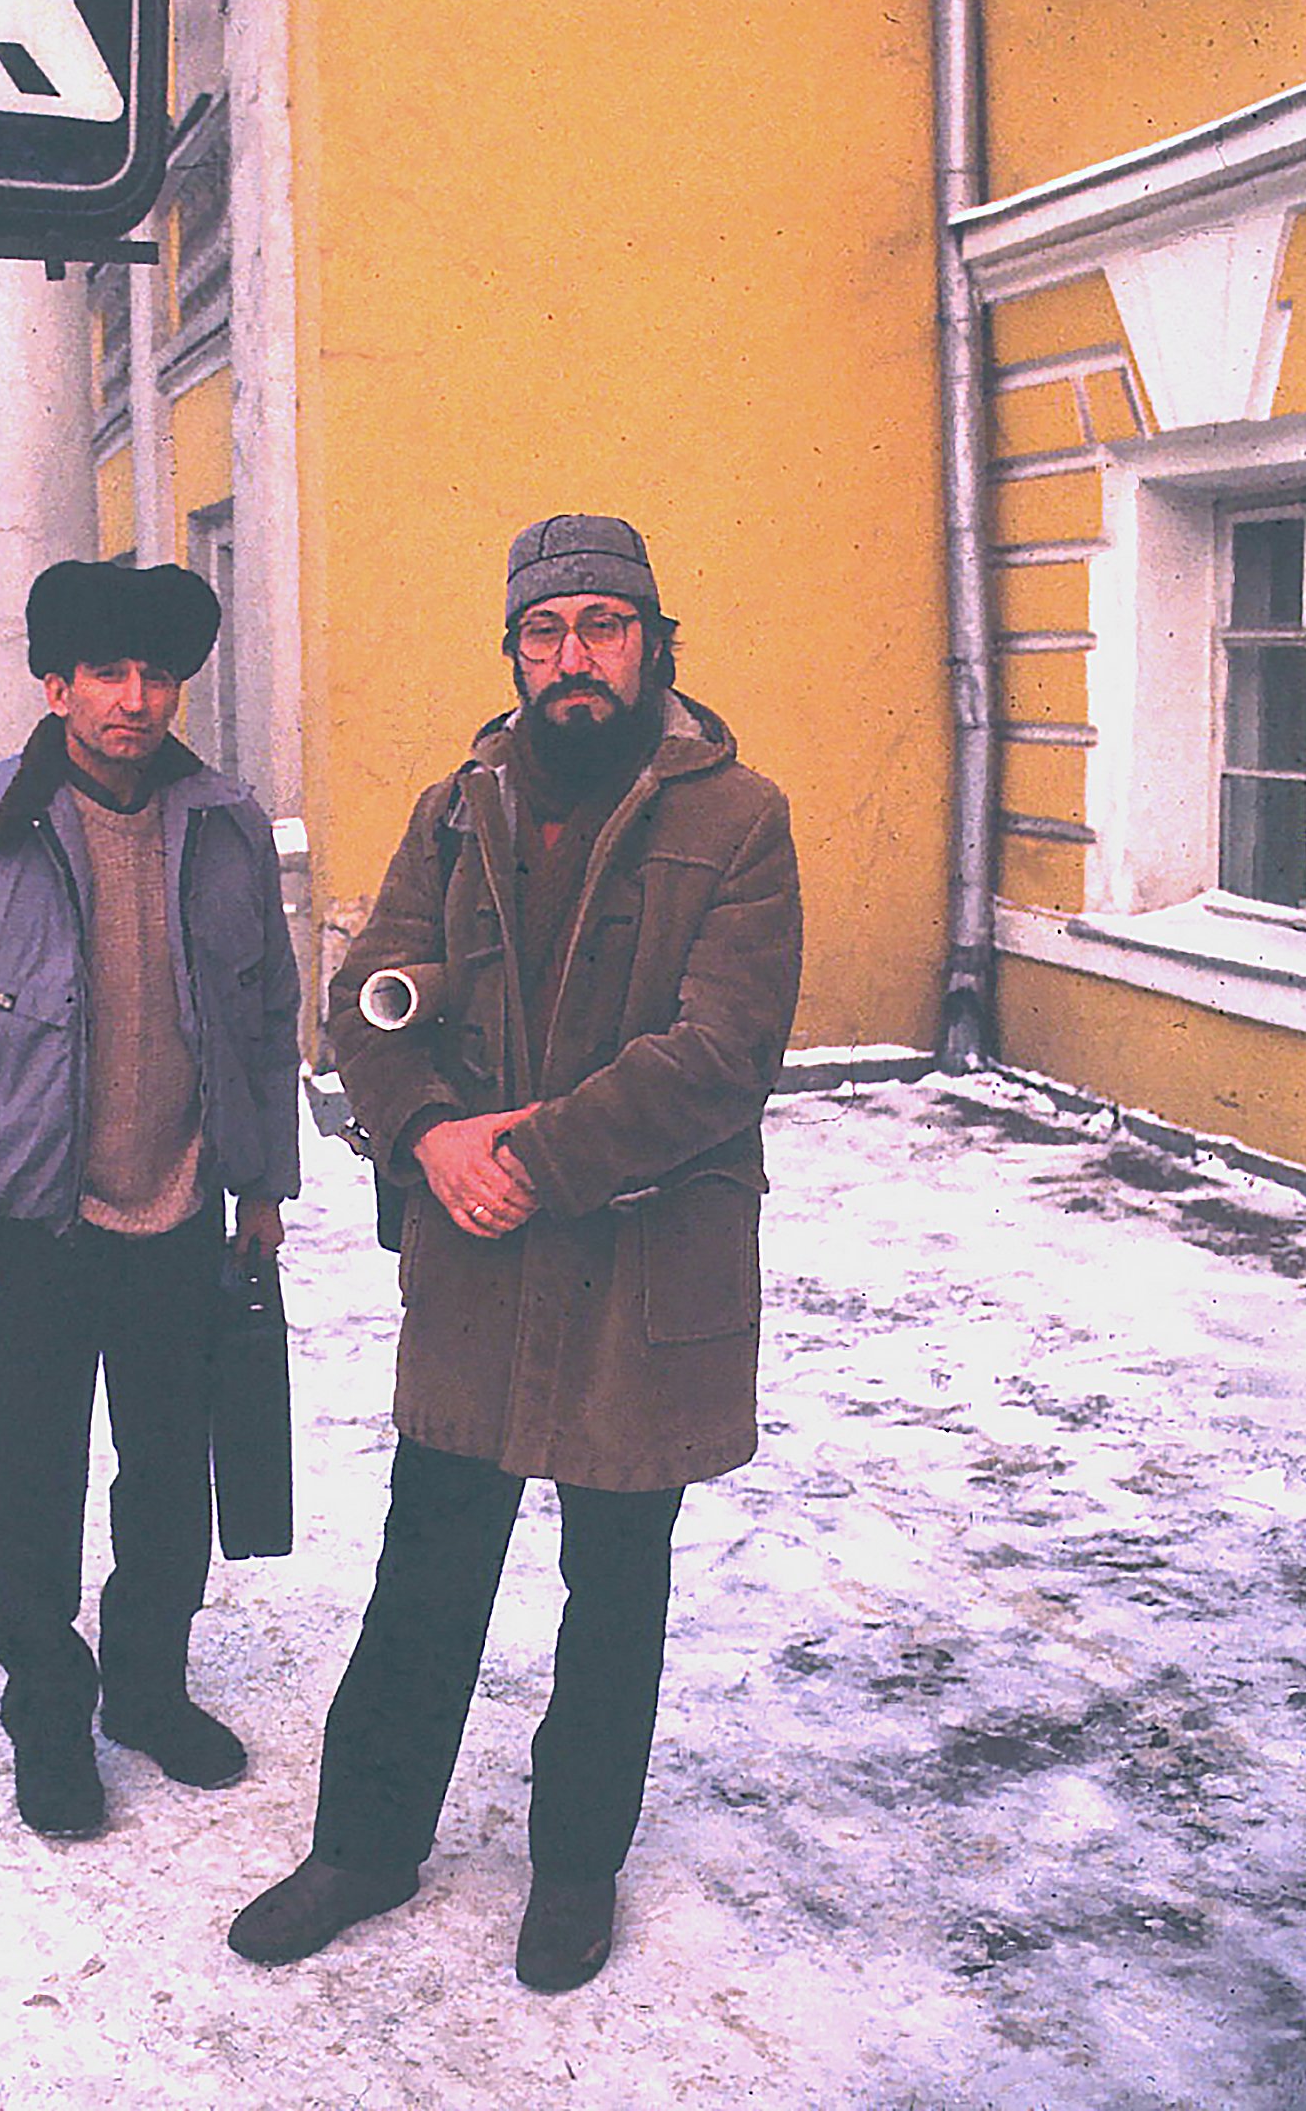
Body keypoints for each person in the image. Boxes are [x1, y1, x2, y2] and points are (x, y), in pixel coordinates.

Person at [229, 514, 800, 1989]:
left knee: (615, 1585)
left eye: (603, 626)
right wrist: (428, 1134)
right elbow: (367, 995)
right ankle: (364, 1844)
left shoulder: (741, 819)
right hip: (477, 1265)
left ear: (655, 642)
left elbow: (722, 1051)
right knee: (427, 1562)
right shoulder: (455, 809)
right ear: (515, 654)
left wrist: (526, 1158)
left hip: (641, 1266)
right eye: (545, 633)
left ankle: (575, 1867)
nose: (573, 658)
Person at [0, 560, 299, 1840]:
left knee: (168, 1472)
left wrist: (261, 1183)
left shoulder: (224, 824)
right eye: (106, 673)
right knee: (35, 1481)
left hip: (179, 1209)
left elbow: (265, 1014)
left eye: (157, 675)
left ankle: (148, 1689)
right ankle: (49, 1711)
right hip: (30, 1221)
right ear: (55, 688)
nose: (134, 699)